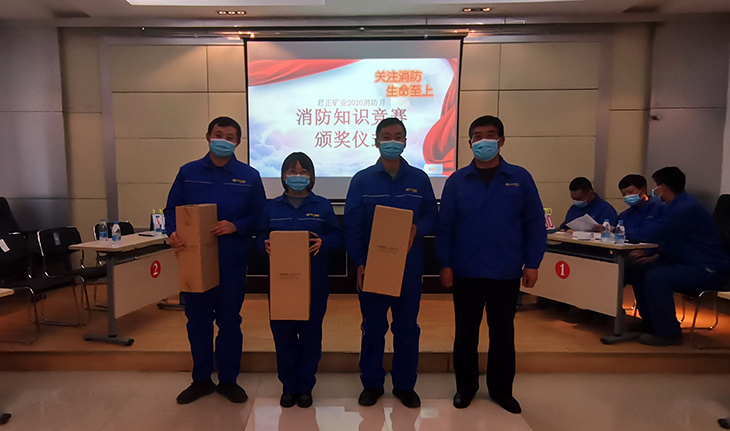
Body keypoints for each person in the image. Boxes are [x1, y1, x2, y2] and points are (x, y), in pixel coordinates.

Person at [436, 115, 546, 414]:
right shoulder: (457, 181)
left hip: (506, 271)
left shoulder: (519, 178)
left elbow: (534, 223)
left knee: (503, 334)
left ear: (501, 140)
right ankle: (465, 388)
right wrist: (445, 264)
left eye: (490, 135)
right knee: (466, 333)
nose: (483, 141)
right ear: (469, 142)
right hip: (466, 271)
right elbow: (446, 227)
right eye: (477, 136)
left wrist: (533, 263)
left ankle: (501, 390)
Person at [164, 116, 266, 404]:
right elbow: (172, 209)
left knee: (229, 321)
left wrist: (236, 226)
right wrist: (173, 232)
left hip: (231, 261)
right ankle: (201, 379)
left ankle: (229, 380)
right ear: (208, 136)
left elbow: (260, 215)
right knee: (197, 322)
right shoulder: (188, 172)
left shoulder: (249, 176)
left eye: (230, 137)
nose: (223, 140)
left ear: (238, 142)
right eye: (218, 134)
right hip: (194, 261)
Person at [344, 117, 438, 408]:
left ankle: (404, 385)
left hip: (409, 267)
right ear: (376, 142)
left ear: (406, 141)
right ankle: (372, 384)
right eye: (386, 137)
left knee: (407, 328)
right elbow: (352, 226)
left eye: (398, 137)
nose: (392, 142)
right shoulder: (362, 180)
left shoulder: (419, 179)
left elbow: (432, 216)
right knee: (373, 328)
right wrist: (359, 263)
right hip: (374, 267)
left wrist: (417, 229)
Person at [258, 152, 344, 409]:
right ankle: (288, 387)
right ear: (283, 176)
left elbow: (338, 237)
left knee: (310, 337)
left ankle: (305, 387)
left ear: (311, 176)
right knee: (283, 337)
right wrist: (265, 246)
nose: (298, 176)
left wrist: (324, 242)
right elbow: (259, 238)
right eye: (292, 171)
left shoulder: (323, 206)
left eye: (303, 171)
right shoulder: (271, 207)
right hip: (281, 284)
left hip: (314, 283)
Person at [629, 167, 730, 346]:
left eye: (654, 186)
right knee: (639, 269)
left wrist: (618, 231)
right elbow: (671, 238)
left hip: (708, 267)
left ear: (662, 187)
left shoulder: (685, 208)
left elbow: (652, 232)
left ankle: (668, 333)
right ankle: (651, 323)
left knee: (656, 277)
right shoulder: (676, 205)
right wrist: (654, 254)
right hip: (687, 261)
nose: (653, 190)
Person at [616, 174, 664, 242]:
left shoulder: (660, 208)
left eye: (630, 192)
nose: (627, 196)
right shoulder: (624, 215)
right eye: (624, 194)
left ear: (643, 190)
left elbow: (651, 234)